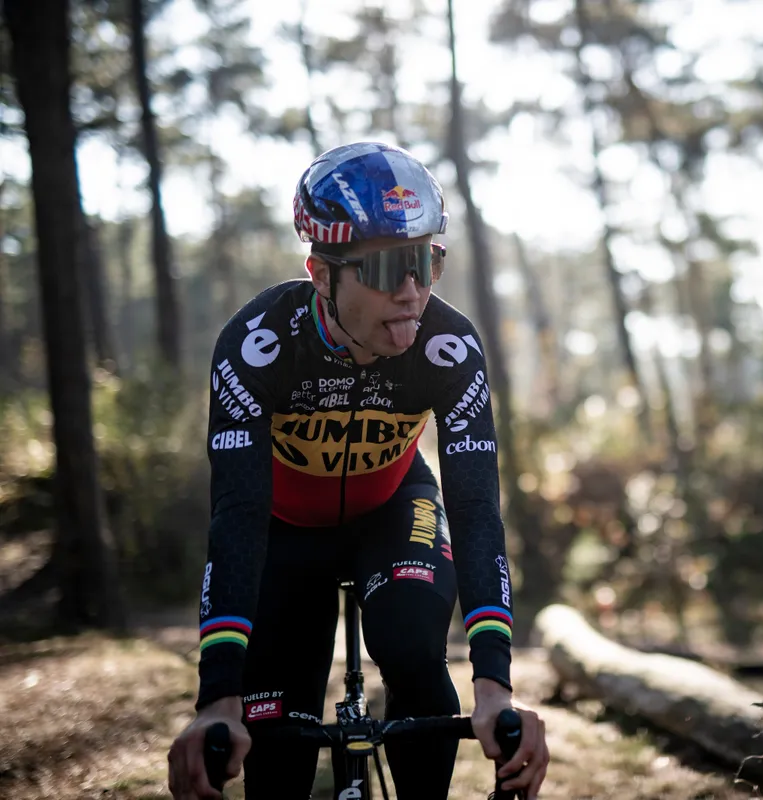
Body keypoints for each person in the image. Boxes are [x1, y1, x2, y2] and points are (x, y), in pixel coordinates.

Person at [167, 142, 549, 799]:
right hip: (283, 529)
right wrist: (217, 696)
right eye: (386, 270)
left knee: (411, 650)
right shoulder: (259, 346)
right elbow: (236, 515)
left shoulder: (448, 347)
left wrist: (495, 686)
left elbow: (477, 509)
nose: (412, 293)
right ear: (321, 274)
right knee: (274, 744)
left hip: (393, 510)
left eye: (427, 262)